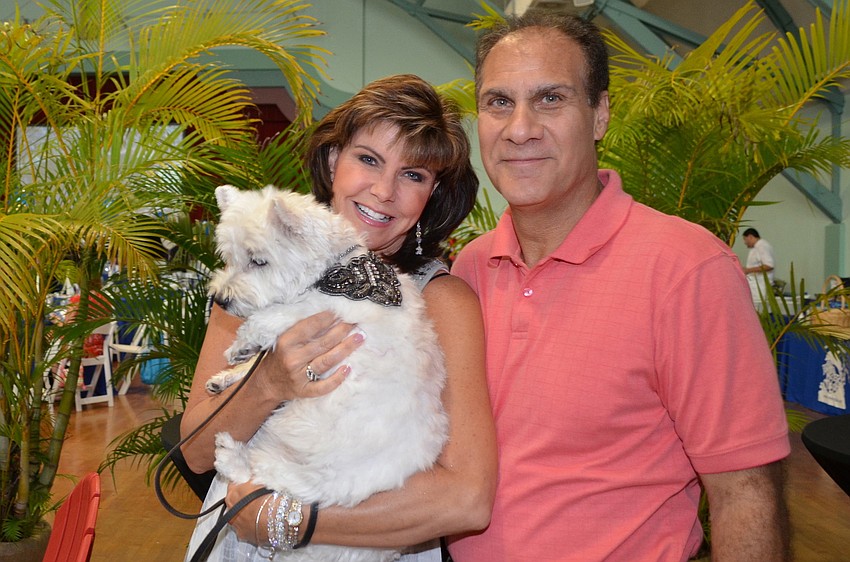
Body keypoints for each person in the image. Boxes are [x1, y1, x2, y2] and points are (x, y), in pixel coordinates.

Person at [448, 11, 791, 561]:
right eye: (499, 102)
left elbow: (745, 495)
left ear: (599, 114)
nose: (520, 128)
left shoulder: (685, 268)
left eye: (550, 99)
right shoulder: (469, 270)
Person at [180, 74, 496, 561]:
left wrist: (290, 521)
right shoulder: (256, 278)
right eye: (368, 159)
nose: (384, 190)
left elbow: (467, 499)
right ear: (333, 162)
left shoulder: (441, 301)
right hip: (241, 538)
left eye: (413, 175)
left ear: (432, 195)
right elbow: (197, 451)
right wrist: (266, 384)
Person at [742, 227, 776, 308]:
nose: (745, 242)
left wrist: (748, 270)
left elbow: (769, 265)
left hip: (760, 288)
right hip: (755, 287)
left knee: (758, 312)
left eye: (745, 239)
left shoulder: (762, 246)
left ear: (750, 236)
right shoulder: (756, 248)